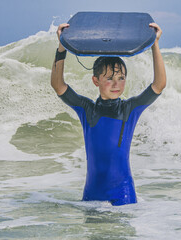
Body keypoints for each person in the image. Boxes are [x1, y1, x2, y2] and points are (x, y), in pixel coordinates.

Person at [50, 22, 166, 206]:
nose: (116, 84)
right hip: (92, 195)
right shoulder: (87, 109)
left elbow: (158, 85)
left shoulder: (129, 109)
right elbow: (58, 85)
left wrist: (155, 45)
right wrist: (62, 46)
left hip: (123, 195)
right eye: (109, 78)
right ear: (96, 81)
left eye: (121, 78)